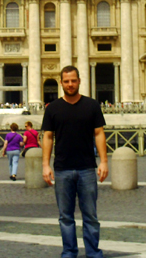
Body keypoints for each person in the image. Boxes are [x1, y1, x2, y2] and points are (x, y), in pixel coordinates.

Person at [42, 65, 108, 258]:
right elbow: (47, 137)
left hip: (87, 167)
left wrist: (103, 161)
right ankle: (69, 252)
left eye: (73, 80)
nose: (70, 84)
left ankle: (93, 253)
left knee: (91, 216)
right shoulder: (52, 108)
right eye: (66, 81)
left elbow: (99, 133)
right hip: (62, 169)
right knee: (65, 217)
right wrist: (46, 165)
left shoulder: (92, 105)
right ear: (61, 83)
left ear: (79, 81)